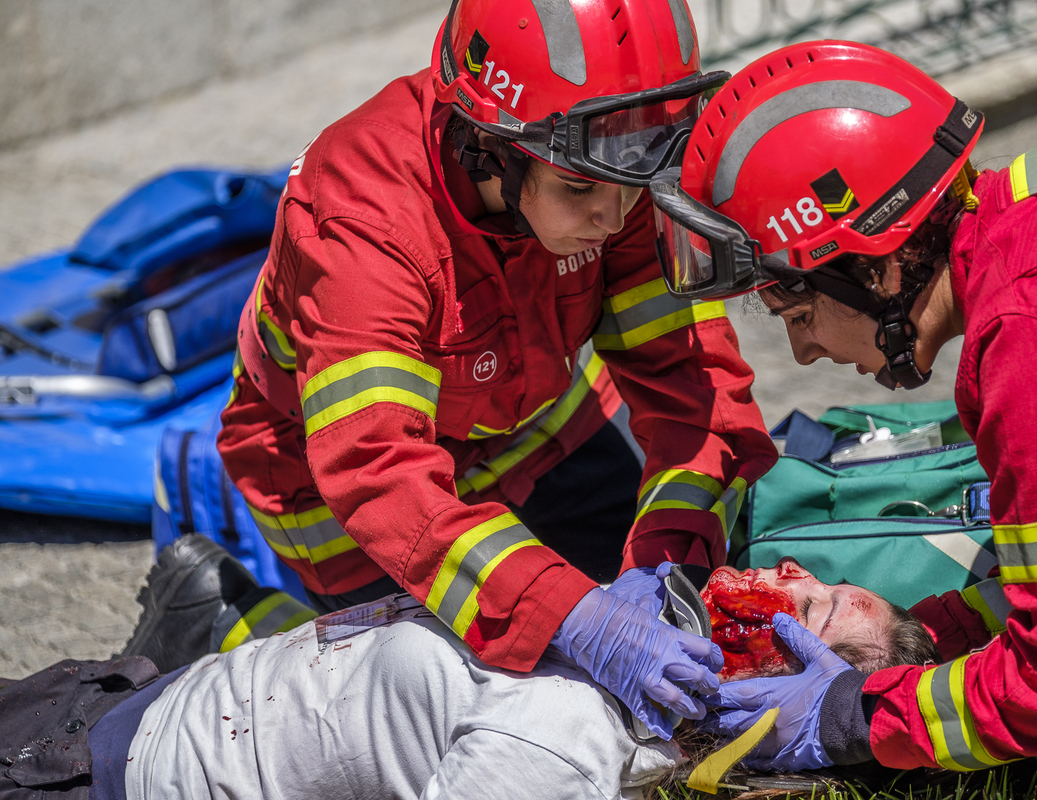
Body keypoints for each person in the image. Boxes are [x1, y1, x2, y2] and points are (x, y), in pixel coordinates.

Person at [202, 0, 779, 741]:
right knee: (427, 711)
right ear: (490, 145)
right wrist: (576, 617)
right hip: (348, 501)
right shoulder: (364, 219)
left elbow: (692, 391)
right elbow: (379, 470)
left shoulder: (599, 157)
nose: (617, 216)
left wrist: (669, 555)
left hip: (539, 431)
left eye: (638, 176)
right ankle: (215, 616)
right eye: (581, 190)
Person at [647, 38, 1037, 779]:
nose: (803, 352)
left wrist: (851, 719)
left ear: (876, 264)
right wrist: (940, 628)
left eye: (795, 309)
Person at [0, 537, 937, 800]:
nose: (785, 572)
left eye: (807, 608)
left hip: (91, 770)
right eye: (818, 575)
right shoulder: (596, 638)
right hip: (125, 694)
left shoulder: (568, 739)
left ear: (760, 687)